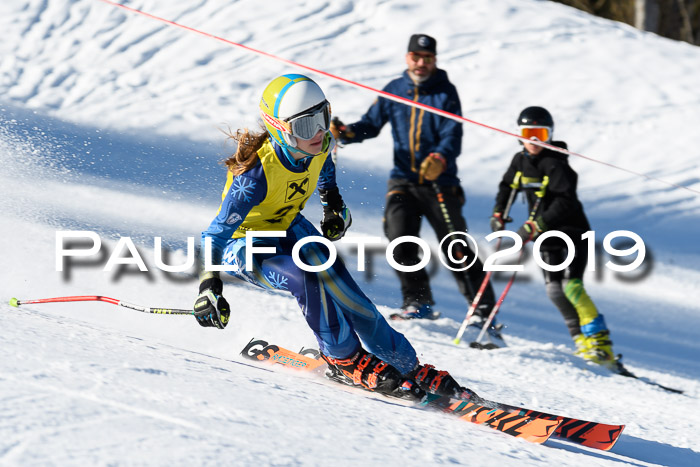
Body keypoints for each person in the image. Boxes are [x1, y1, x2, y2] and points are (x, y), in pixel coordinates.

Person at [192, 73, 476, 400]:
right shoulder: (255, 176)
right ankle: (343, 358)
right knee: (305, 277)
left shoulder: (323, 143)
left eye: (322, 117)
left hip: (288, 227)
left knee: (347, 293)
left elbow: (326, 175)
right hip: (244, 244)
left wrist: (333, 208)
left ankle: (406, 364)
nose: (317, 132)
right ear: (279, 128)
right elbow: (214, 235)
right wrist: (209, 286)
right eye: (304, 126)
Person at [331, 34, 501, 341]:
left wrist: (439, 158)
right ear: (407, 57)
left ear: (434, 60)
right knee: (399, 235)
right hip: (404, 179)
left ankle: (483, 311)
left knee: (455, 246)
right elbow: (372, 122)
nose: (421, 63)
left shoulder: (445, 93)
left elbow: (453, 135)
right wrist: (347, 132)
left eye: (428, 58)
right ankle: (417, 301)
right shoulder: (395, 90)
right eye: (416, 57)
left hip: (439, 181)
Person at [490, 106, 617, 367]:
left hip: (572, 232)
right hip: (546, 237)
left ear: (549, 136)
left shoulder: (556, 163)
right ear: (519, 134)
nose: (534, 141)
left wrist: (537, 224)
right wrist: (499, 212)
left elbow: (566, 201)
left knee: (572, 287)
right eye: (529, 133)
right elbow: (507, 186)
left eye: (541, 134)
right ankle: (582, 343)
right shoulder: (520, 160)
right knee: (554, 291)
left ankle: (601, 346)